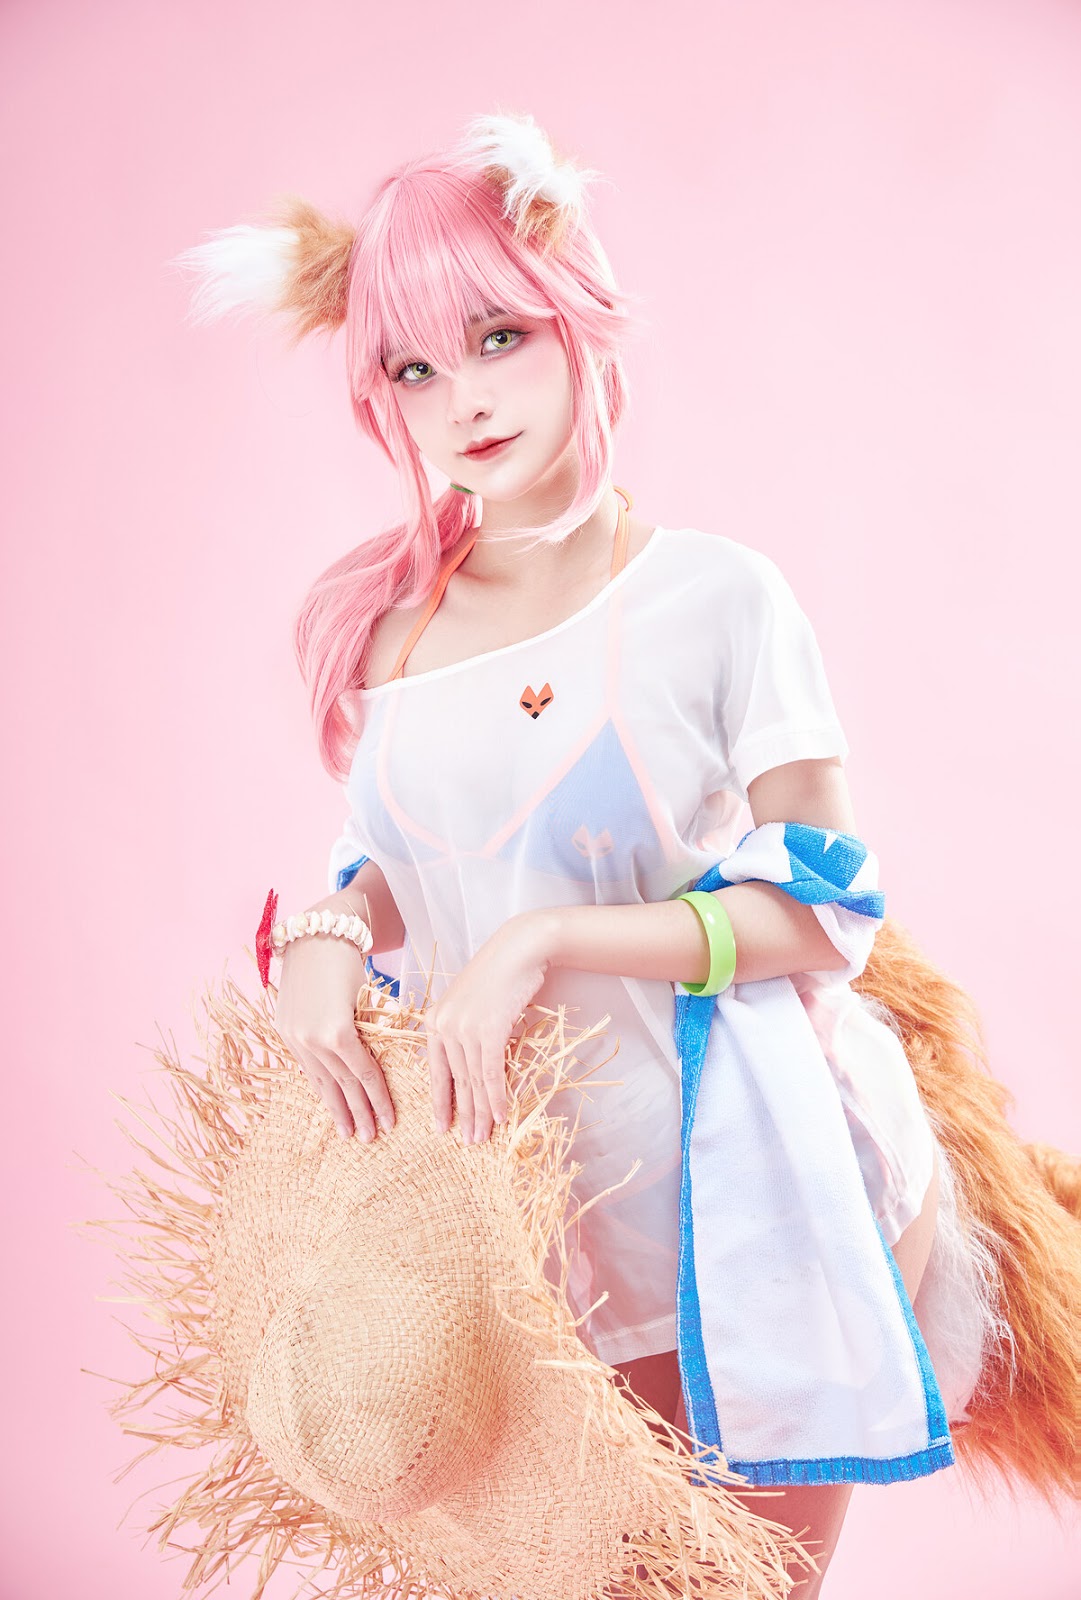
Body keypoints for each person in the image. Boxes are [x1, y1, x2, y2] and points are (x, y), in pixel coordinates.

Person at [174, 110, 1063, 1597]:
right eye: (413, 367)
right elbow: (398, 862)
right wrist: (325, 942)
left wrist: (543, 942)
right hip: (513, 1217)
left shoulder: (716, 598)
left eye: (498, 336)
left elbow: (818, 910)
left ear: (575, 316)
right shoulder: (388, 629)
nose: (464, 396)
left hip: (747, 1192)